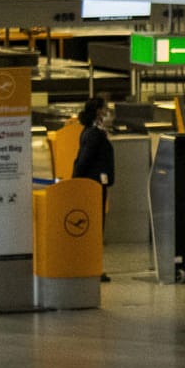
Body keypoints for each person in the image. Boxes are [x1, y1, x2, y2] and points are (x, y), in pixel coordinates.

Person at [71, 97, 115, 282]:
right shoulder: (94, 134)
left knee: (94, 227)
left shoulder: (91, 132)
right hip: (93, 186)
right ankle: (93, 267)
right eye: (105, 108)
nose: (107, 112)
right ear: (98, 111)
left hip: (93, 185)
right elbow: (83, 160)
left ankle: (93, 266)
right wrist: (76, 184)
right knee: (95, 228)